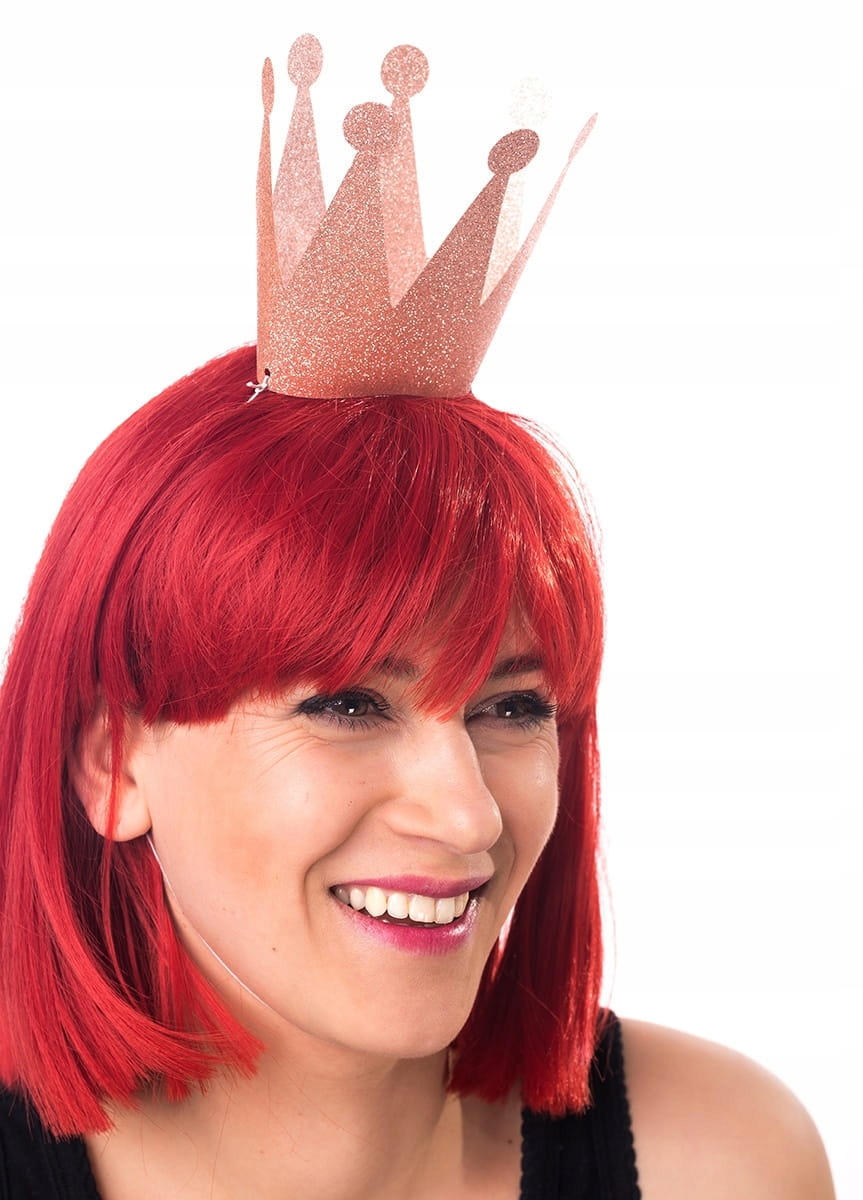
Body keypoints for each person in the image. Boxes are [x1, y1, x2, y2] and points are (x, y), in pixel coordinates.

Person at [0, 37, 835, 1200]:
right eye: (348, 703)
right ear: (113, 760)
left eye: (512, 707)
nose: (465, 814)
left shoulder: (721, 1162)